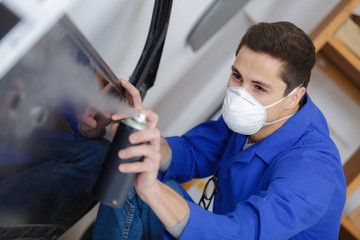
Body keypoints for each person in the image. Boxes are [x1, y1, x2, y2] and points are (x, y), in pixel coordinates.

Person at [92, 21, 346, 239]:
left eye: (259, 87)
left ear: (294, 96)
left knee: (143, 185)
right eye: (237, 76)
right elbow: (193, 152)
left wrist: (153, 191)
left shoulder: (313, 170)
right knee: (130, 165)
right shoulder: (255, 118)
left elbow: (244, 234)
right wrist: (139, 134)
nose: (240, 95)